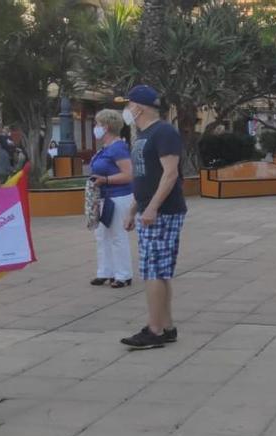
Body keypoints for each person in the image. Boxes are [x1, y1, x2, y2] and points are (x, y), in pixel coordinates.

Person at [119, 85, 186, 350]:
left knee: (154, 272)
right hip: (150, 210)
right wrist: (134, 208)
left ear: (139, 107)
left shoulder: (164, 132)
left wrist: (153, 208)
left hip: (163, 212)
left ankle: (154, 330)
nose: (127, 109)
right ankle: (166, 326)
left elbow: (170, 174)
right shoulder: (142, 135)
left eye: (129, 104)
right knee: (159, 271)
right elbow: (147, 177)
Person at [89, 109, 134, 288]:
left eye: (97, 124)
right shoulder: (106, 148)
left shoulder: (118, 148)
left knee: (117, 236)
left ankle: (123, 274)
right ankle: (105, 271)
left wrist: (105, 180)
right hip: (103, 197)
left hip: (118, 197)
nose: (95, 128)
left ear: (106, 127)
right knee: (102, 236)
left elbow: (129, 174)